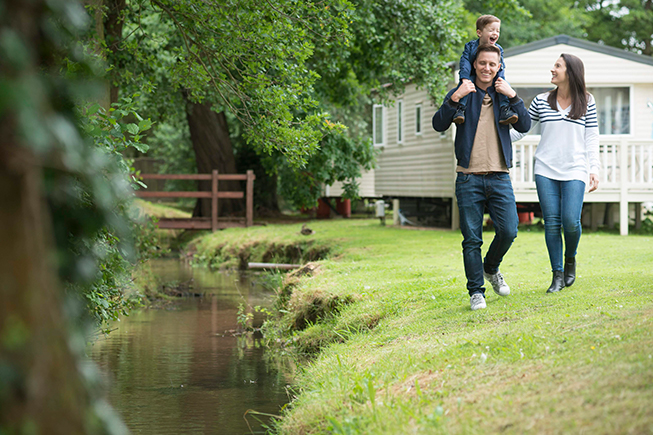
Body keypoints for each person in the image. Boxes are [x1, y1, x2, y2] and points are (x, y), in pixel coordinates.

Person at [432, 44, 531, 310]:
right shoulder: (463, 93)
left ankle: (491, 268)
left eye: (492, 64)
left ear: (499, 67)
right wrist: (454, 98)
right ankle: (476, 291)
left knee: (509, 230)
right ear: (474, 64)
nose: (487, 68)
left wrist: (514, 96)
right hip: (468, 178)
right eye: (483, 63)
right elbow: (438, 123)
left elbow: (525, 124)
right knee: (472, 239)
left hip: (499, 176)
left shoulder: (503, 94)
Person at [511, 54, 599, 293]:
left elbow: (591, 137)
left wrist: (594, 168)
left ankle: (570, 258)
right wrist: (494, 136)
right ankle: (557, 275)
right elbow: (522, 130)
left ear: (570, 72)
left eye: (557, 66)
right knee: (551, 223)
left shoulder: (587, 101)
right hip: (545, 169)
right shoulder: (541, 101)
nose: (552, 69)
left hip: (575, 168)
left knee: (571, 221)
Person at [453, 14, 518, 126]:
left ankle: (504, 109)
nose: (495, 33)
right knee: (465, 86)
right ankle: (460, 109)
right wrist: (464, 78)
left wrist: (501, 79)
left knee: (503, 85)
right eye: (491, 30)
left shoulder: (498, 49)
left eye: (497, 31)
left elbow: (500, 66)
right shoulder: (470, 47)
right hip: (472, 75)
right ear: (479, 33)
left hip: (492, 78)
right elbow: (465, 63)